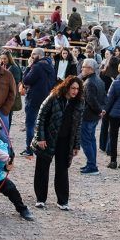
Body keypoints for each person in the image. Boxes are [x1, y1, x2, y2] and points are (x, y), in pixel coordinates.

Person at [32, 76, 84, 211]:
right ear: (66, 87)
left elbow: (78, 126)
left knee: (62, 170)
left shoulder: (79, 102)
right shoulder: (54, 97)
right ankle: (40, 199)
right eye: (73, 88)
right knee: (42, 168)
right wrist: (40, 138)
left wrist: (76, 145)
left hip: (65, 140)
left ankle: (62, 201)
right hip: (48, 138)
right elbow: (41, 117)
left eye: (77, 89)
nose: (75, 91)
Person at [21, 47, 56, 156]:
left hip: (34, 99)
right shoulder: (51, 66)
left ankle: (29, 149)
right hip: (47, 99)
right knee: (43, 124)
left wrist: (28, 67)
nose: (31, 57)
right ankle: (43, 148)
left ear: (39, 55)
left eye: (33, 54)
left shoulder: (36, 67)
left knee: (30, 125)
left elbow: (26, 81)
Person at [79, 59, 105, 175]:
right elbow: (104, 97)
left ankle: (92, 165)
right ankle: (91, 163)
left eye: (84, 67)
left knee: (86, 141)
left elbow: (91, 100)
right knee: (91, 140)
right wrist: (102, 110)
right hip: (94, 115)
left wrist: (100, 110)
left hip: (88, 116)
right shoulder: (98, 80)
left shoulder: (89, 82)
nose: (81, 69)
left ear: (90, 69)